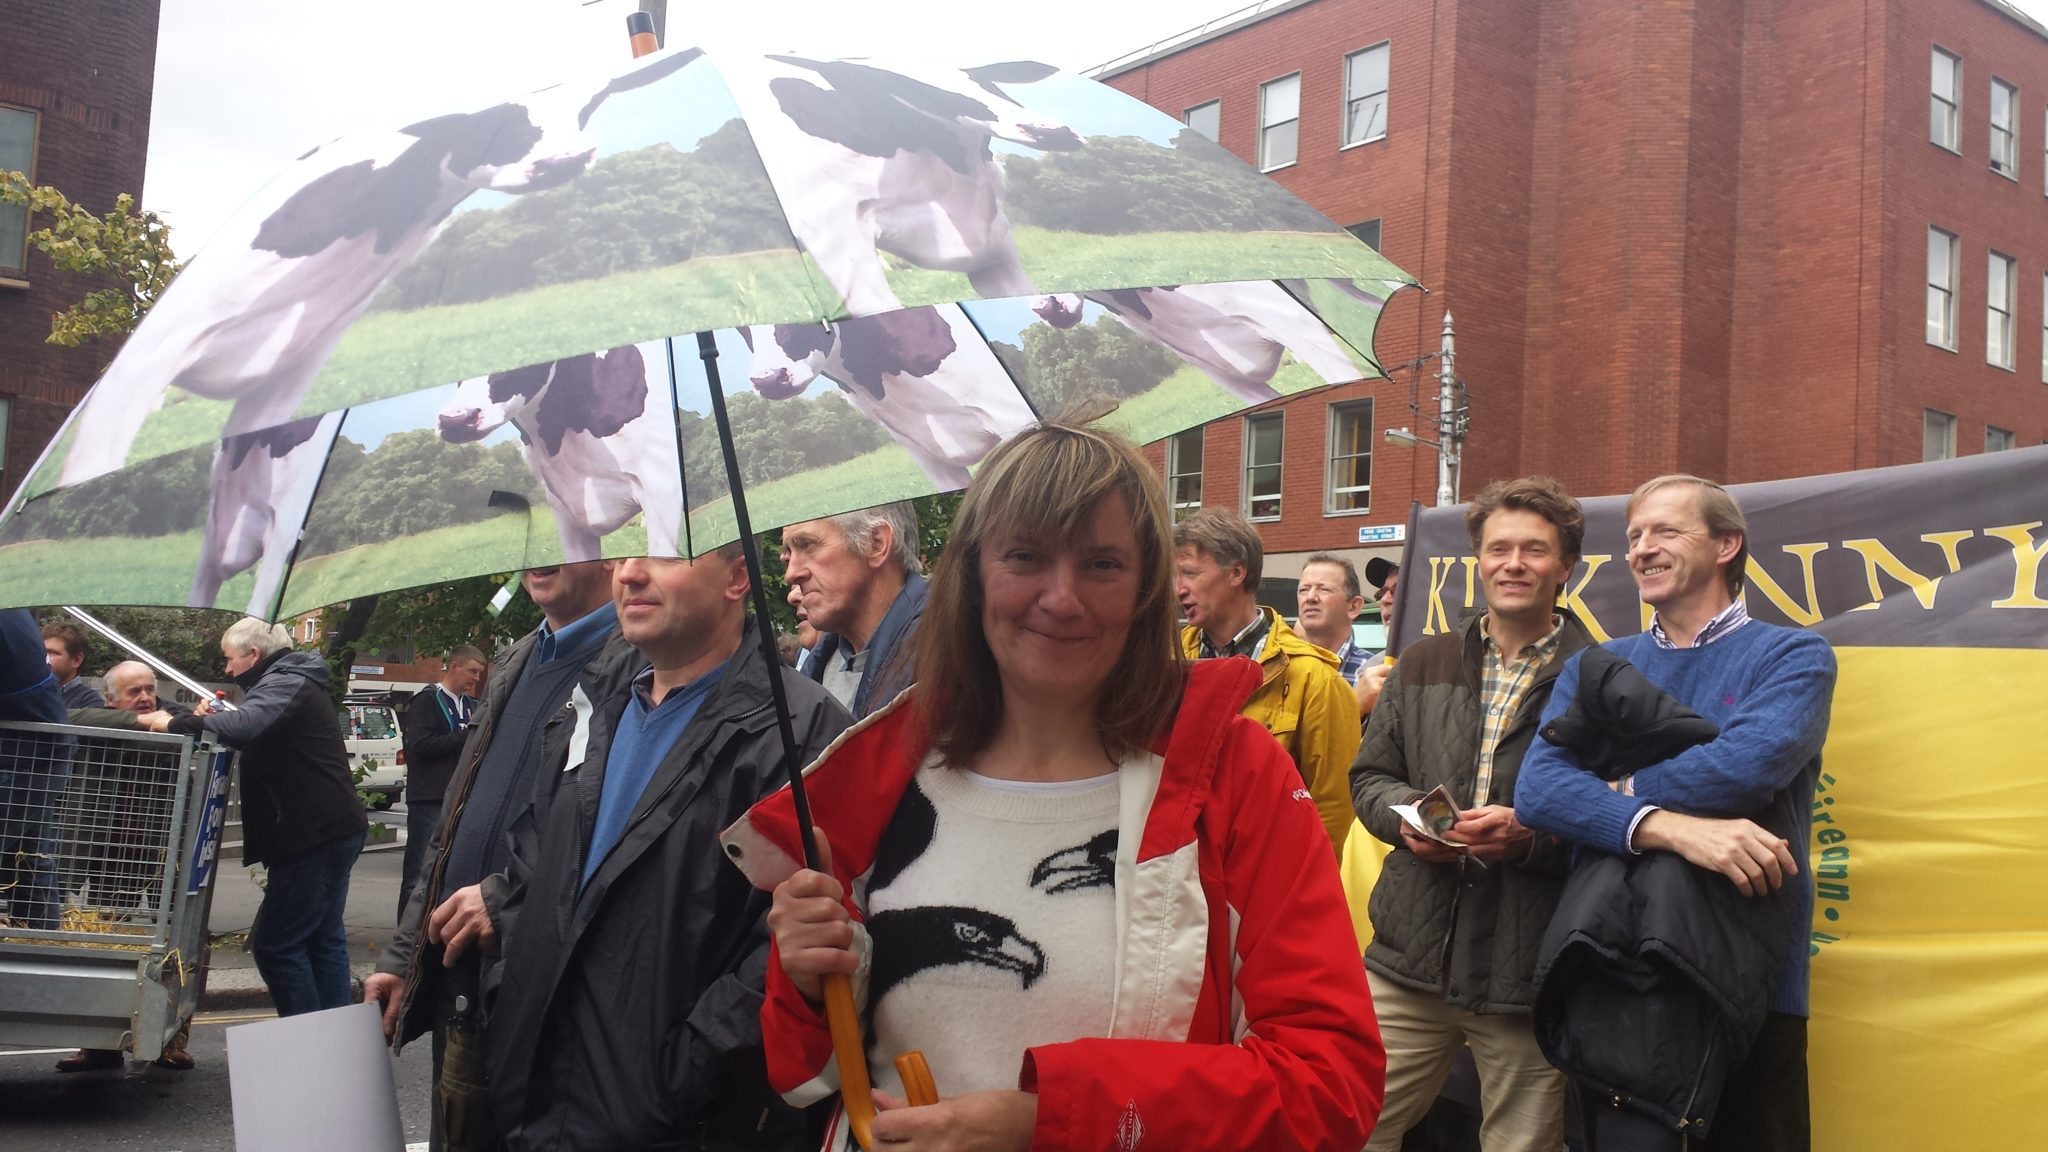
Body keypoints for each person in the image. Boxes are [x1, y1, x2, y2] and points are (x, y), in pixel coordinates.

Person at [733, 417, 1384, 1151]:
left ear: (1146, 588)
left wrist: (1049, 1123)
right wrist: (809, 981)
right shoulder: (875, 786)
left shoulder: (1235, 775)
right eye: (1026, 557)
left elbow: (1330, 1086)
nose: (1063, 597)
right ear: (974, 576)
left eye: (1102, 564)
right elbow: (805, 1077)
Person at [485, 545, 851, 1151]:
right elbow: (531, 865)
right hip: (531, 1112)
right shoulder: (588, 710)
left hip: (682, 1126)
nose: (629, 573)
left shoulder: (801, 733)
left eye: (662, 553)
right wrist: (509, 1002)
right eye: (624, 553)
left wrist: (683, 1079)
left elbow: (791, 946)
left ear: (737, 578)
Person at [1516, 474, 1836, 1152]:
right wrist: (1670, 828)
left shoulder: (1793, 654)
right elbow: (1539, 790)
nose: (1641, 548)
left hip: (1749, 975)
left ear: (1726, 545)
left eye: (1665, 530)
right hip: (1611, 963)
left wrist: (1613, 792)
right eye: (1634, 536)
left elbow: (1744, 769)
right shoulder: (1599, 666)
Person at [1350, 477, 1598, 1152]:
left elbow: (1620, 812)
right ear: (1479, 560)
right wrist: (1407, 819)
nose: (1514, 564)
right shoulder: (1423, 661)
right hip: (1408, 962)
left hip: (1528, 972)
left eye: (1534, 550)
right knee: (1347, 1129)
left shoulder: (1602, 677)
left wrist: (1532, 837)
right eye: (1499, 549)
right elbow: (1369, 777)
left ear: (1565, 567)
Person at [364, 561, 625, 1152]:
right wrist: (405, 956)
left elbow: (617, 830)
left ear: (615, 549)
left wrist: (506, 898)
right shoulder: (515, 659)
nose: (541, 553)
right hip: (460, 971)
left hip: (538, 989)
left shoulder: (639, 662)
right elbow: (451, 831)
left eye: (565, 529)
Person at [161, 618, 366, 1016]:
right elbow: (252, 724)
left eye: (229, 659)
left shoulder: (286, 681)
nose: (227, 670)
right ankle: (333, 1038)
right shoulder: (290, 680)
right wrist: (207, 718)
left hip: (311, 834)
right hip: (326, 829)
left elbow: (245, 725)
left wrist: (174, 722)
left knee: (277, 945)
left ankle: (308, 1037)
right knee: (322, 940)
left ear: (253, 654)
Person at [1174, 507, 1359, 859]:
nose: (1178, 589)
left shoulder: (1314, 679)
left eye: (1191, 573)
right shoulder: (1169, 665)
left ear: (1237, 572)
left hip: (1267, 874)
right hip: (1181, 873)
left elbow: (1333, 810)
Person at [59, 660, 197, 1073]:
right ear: (111, 699)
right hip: (113, 854)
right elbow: (68, 716)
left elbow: (191, 722)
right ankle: (98, 1046)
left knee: (179, 946)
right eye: (133, 692)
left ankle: (172, 1042)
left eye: (149, 689)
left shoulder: (172, 720)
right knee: (106, 949)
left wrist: (162, 719)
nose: (145, 697)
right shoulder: (100, 718)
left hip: (167, 852)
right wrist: (138, 721)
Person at [784, 503, 927, 718]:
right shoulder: (817, 671)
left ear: (876, 543)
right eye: (789, 554)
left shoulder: (955, 653)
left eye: (807, 545)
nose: (790, 574)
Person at [396, 645, 486, 919]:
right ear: (454, 666)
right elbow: (420, 746)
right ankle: (408, 933)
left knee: (449, 870)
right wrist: (467, 736)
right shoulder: (426, 701)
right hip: (430, 799)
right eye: (472, 671)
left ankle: (434, 927)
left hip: (462, 798)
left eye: (479, 673)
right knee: (419, 871)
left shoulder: (473, 706)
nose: (476, 679)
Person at [1, 610, 67, 932]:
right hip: (41, 747)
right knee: (31, 859)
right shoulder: (11, 605)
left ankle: (40, 943)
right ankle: (41, 945)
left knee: (30, 858)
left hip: (22, 754)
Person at [1296, 552, 1373, 683]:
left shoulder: (1373, 673)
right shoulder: (1276, 667)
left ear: (1353, 607)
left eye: (1324, 589)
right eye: (1304, 590)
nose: (1310, 597)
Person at [1354, 558, 1402, 718]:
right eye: (1382, 592)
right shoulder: (1370, 670)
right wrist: (1357, 707)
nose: (1385, 600)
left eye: (1398, 590)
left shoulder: (1453, 663)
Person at [42, 621, 102, 709]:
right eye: (42, 651)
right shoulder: (30, 693)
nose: (44, 658)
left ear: (77, 660)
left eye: (52, 653)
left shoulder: (89, 702)